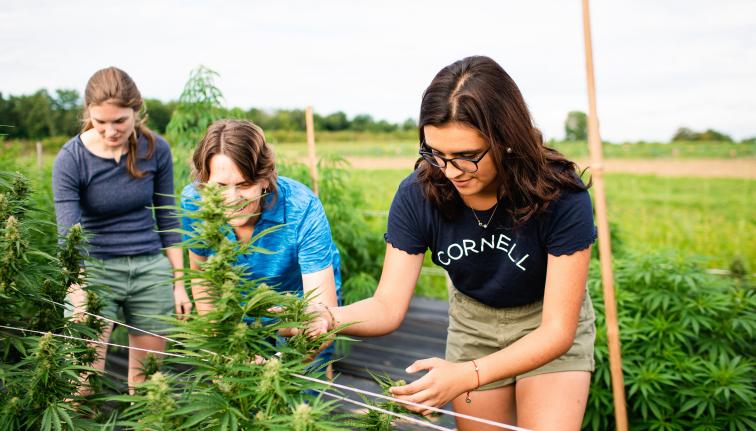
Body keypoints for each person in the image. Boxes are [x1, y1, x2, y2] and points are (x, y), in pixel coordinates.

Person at [308, 56, 597, 431]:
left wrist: (467, 375)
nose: (450, 170)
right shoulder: (418, 195)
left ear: (506, 139)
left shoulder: (559, 194)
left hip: (544, 323)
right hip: (473, 323)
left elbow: (557, 330)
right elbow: (387, 305)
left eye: (466, 156)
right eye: (436, 153)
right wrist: (327, 318)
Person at [53, 67, 190, 390]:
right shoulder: (72, 158)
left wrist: (180, 283)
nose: (110, 131)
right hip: (95, 270)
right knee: (83, 381)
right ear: (88, 114)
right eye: (100, 122)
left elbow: (168, 219)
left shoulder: (156, 149)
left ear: (136, 111)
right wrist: (78, 290)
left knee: (148, 384)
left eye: (119, 122)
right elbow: (68, 237)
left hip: (149, 271)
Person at [180, 119, 341, 367]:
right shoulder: (195, 202)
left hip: (296, 307)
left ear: (265, 178)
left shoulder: (303, 208)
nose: (231, 198)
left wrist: (277, 367)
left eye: (244, 185)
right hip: (237, 307)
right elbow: (202, 276)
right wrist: (219, 345)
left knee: (303, 390)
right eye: (220, 186)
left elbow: (321, 312)